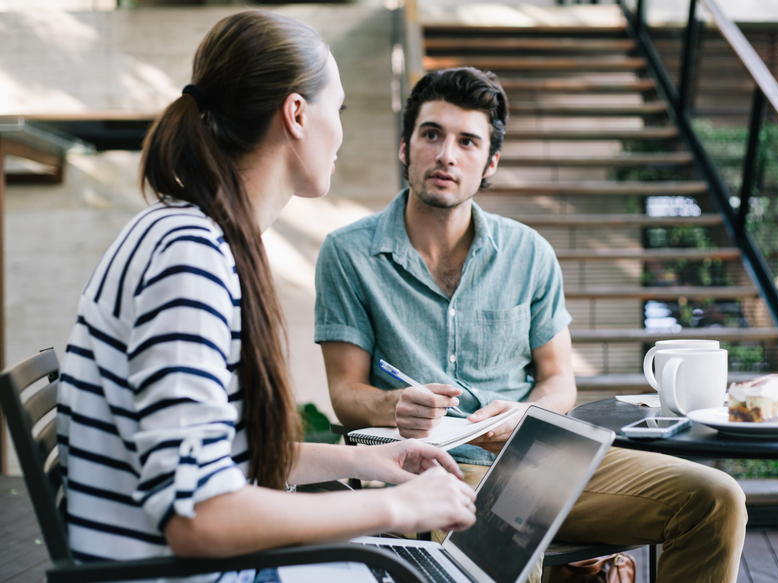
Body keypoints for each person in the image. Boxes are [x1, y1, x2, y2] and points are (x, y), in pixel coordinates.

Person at [55, 11, 476, 577]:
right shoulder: (189, 257)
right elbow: (199, 515)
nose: (343, 132)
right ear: (297, 114)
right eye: (340, 109)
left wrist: (367, 460)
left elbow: (215, 463)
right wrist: (399, 503)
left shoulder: (193, 236)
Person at [314, 66, 747, 583]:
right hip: (425, 467)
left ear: (489, 162)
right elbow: (345, 392)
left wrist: (525, 414)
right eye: (431, 134)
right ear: (406, 148)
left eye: (467, 141)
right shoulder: (348, 253)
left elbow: (560, 379)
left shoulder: (530, 253)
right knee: (505, 540)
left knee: (716, 499)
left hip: (537, 462)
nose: (446, 154)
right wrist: (393, 405)